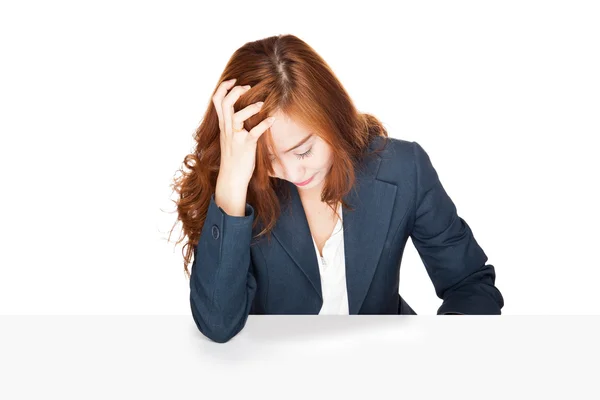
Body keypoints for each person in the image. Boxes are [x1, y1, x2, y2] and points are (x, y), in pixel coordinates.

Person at [169, 34, 504, 343]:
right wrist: (231, 182)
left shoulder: (404, 169)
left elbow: (469, 283)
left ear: (332, 117)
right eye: (269, 158)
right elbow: (217, 324)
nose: (291, 172)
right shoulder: (240, 186)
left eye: (303, 151)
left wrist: (444, 352)